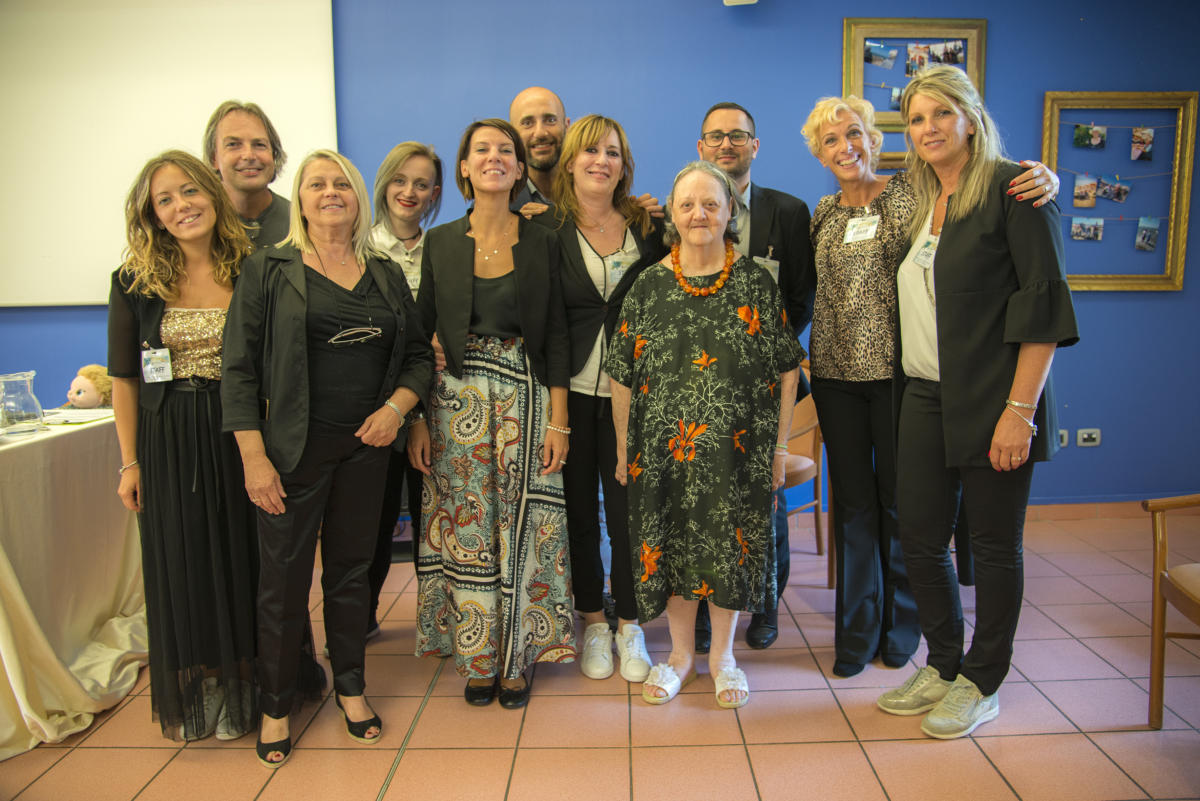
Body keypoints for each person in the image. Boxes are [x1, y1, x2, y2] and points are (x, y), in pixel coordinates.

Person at [800, 96, 1060, 679]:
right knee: (853, 506)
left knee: (904, 507)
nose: (845, 147)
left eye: (854, 134)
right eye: (831, 140)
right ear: (819, 153)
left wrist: (1048, 177)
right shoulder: (822, 213)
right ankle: (856, 633)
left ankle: (901, 628)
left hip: (900, 376)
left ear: (873, 139)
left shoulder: (909, 195)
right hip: (837, 378)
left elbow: (978, 191)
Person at [874, 66, 1078, 739]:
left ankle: (984, 679)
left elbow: (1043, 310)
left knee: (991, 545)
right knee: (919, 535)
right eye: (916, 118)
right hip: (924, 394)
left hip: (997, 399)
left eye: (941, 113)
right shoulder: (922, 198)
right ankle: (944, 663)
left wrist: (1020, 412)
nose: (928, 128)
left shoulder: (1015, 189)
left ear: (970, 118)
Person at [222, 149, 433, 767]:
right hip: (290, 453)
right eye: (316, 184)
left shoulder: (384, 272)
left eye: (341, 183)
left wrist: (396, 410)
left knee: (350, 574)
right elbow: (238, 370)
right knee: (284, 582)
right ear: (300, 199)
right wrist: (253, 457)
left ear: (358, 196)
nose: (330, 193)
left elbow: (418, 356)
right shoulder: (269, 269)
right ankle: (276, 704)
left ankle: (351, 688)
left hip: (366, 449)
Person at [606, 161, 803, 709]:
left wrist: (780, 447)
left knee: (728, 549)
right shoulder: (648, 285)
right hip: (661, 452)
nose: (699, 214)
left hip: (737, 453)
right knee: (671, 546)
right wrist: (623, 446)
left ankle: (722, 658)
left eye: (711, 204)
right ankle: (679, 657)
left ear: (729, 211)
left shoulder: (755, 281)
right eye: (688, 204)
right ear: (672, 214)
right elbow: (620, 373)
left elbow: (788, 369)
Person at [408, 119, 575, 710]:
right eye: (482, 149)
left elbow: (558, 333)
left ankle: (517, 657)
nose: (494, 157)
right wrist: (417, 418)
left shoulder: (543, 240)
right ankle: (478, 657)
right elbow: (419, 333)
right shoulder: (440, 242)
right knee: (470, 530)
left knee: (525, 527)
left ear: (521, 168)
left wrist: (559, 420)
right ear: (463, 167)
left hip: (527, 398)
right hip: (455, 403)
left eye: (506, 150)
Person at [107, 150, 258, 742]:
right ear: (153, 215)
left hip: (243, 433)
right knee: (186, 559)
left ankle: (250, 676)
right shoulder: (134, 281)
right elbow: (125, 378)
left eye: (189, 191)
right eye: (164, 200)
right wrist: (130, 462)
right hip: (168, 437)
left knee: (247, 555)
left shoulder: (257, 267)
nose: (181, 206)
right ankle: (211, 679)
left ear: (212, 194)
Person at [530, 114, 667, 682]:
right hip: (572, 394)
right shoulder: (545, 228)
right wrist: (557, 416)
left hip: (633, 396)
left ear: (623, 165)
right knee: (579, 513)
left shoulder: (648, 224)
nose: (601, 161)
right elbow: (547, 321)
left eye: (612, 153)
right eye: (590, 151)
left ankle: (631, 624)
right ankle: (592, 620)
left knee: (631, 513)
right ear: (569, 163)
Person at [694, 101, 815, 651]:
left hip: (765, 382)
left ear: (755, 146)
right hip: (700, 382)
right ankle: (702, 605)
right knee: (701, 500)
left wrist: (765, 354)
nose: (727, 144)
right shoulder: (684, 208)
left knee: (767, 497)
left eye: (738, 136)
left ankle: (765, 604)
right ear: (701, 147)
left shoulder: (787, 211)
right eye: (716, 136)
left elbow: (801, 296)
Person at [364, 142, 444, 637]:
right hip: (375, 405)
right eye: (400, 180)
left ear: (435, 193)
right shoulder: (360, 249)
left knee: (431, 513)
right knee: (371, 518)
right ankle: (361, 616)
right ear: (383, 184)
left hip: (432, 403)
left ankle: (435, 618)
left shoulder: (442, 250)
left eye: (421, 184)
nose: (409, 192)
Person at [203, 100, 291, 248]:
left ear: (274, 154)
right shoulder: (199, 226)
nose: (249, 155)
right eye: (233, 145)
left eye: (259, 145)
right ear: (214, 158)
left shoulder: (301, 223)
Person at [508, 86, 570, 209]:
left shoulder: (595, 194)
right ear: (512, 134)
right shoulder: (499, 204)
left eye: (550, 120)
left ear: (566, 126)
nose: (540, 133)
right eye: (527, 123)